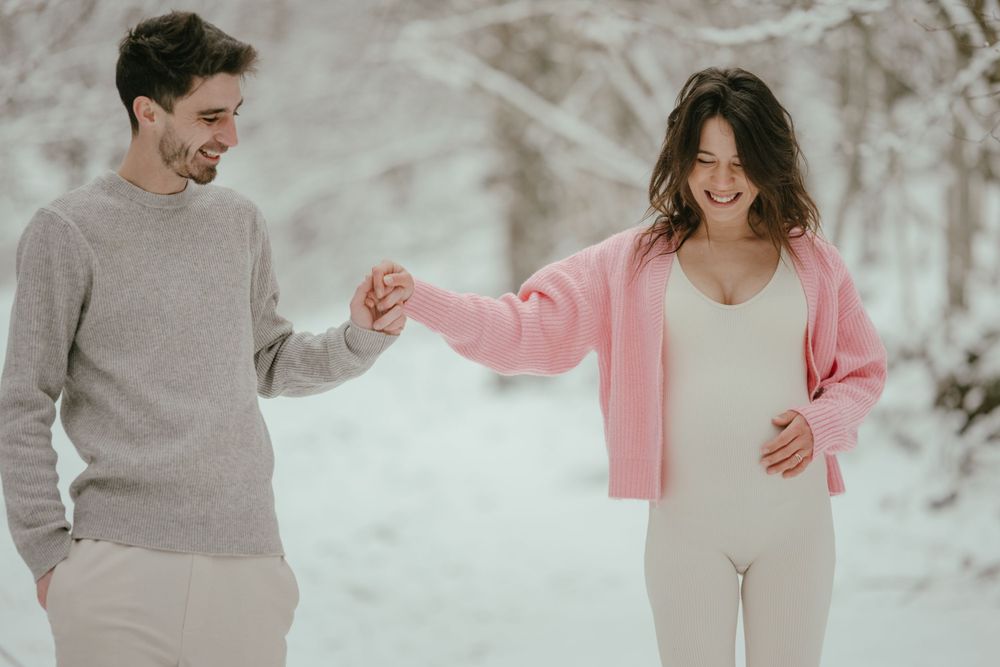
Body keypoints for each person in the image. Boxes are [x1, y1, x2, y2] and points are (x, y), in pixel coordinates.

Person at [364, 67, 887, 666]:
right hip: (688, 533)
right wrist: (422, 298)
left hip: (796, 528)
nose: (720, 180)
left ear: (769, 163)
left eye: (739, 163)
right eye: (704, 159)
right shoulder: (631, 264)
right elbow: (522, 329)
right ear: (681, 160)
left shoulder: (814, 262)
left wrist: (821, 424)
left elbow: (862, 373)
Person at [0, 11, 403, 667]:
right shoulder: (66, 232)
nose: (232, 136)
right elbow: (23, 401)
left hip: (245, 566)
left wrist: (360, 334)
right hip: (115, 571)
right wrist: (48, 555)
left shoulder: (239, 223)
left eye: (236, 113)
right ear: (147, 111)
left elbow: (267, 361)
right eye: (212, 116)